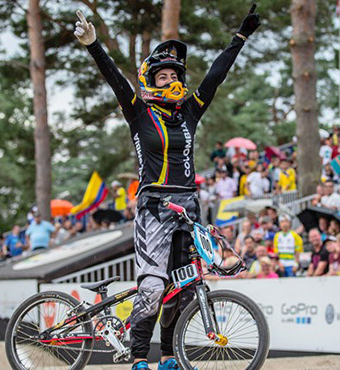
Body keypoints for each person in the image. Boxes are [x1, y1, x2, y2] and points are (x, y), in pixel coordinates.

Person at [74, 6, 260, 369]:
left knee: (185, 286)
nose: (171, 80)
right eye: (163, 76)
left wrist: (240, 38)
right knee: (154, 287)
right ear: (149, 80)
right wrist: (94, 45)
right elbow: (115, 80)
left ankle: (171, 355)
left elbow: (215, 76)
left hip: (188, 206)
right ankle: (140, 356)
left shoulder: (189, 111)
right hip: (153, 207)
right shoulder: (139, 113)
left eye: (175, 74)